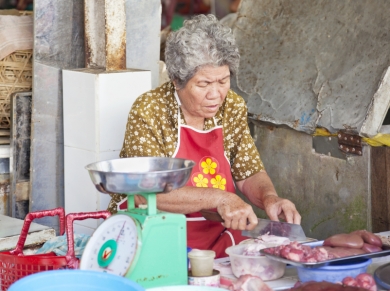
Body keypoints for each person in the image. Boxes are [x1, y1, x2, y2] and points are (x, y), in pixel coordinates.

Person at [107, 14, 301, 258]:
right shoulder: (150, 110)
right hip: (153, 236)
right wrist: (220, 198)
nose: (216, 94)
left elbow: (248, 171)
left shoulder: (232, 106)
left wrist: (270, 198)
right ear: (177, 80)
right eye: (203, 84)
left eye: (223, 81)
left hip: (216, 236)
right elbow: (147, 190)